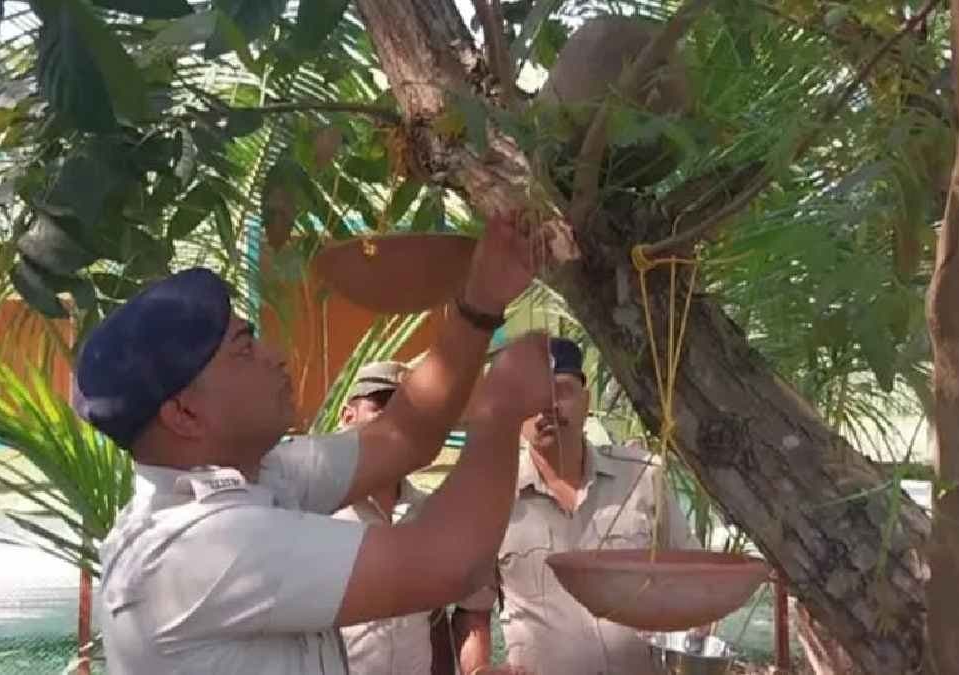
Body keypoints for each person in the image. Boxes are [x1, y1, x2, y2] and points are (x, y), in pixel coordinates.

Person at [73, 212, 551, 674]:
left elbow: (403, 435)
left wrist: (481, 303)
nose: (276, 357)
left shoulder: (259, 476)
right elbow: (449, 563)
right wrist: (501, 408)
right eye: (244, 350)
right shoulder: (197, 549)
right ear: (184, 414)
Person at [454, 337, 702, 675]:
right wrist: (479, 670)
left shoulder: (642, 477)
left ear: (586, 402)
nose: (547, 406)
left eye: (561, 391)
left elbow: (691, 578)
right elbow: (472, 611)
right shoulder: (492, 498)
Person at [330, 360, 460, 674]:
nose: (396, 423)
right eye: (381, 408)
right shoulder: (321, 511)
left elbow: (435, 619)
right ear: (348, 417)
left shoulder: (426, 512)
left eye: (407, 414)